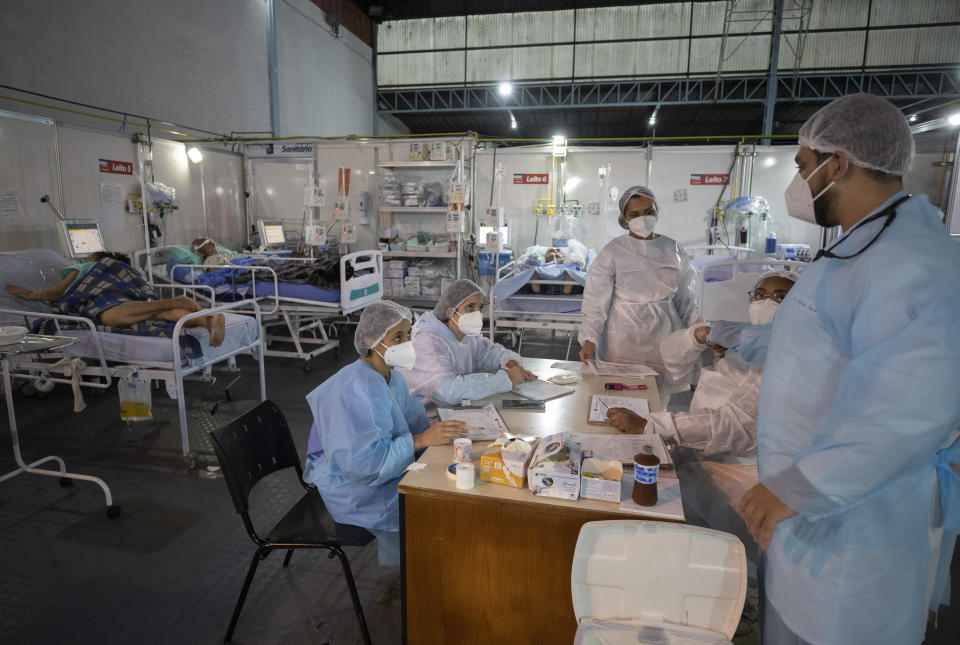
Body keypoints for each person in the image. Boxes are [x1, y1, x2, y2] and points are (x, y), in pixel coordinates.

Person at [707, 94, 960, 644]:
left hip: (853, 541)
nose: (798, 182)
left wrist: (796, 488)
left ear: (838, 163)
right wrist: (725, 335)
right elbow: (801, 345)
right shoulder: (857, 249)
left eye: (803, 165)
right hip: (803, 521)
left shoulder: (911, 262)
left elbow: (906, 412)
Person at [605, 270, 797, 564]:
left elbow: (736, 426)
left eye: (780, 297)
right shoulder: (742, 347)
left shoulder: (789, 363)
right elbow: (672, 357)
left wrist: (651, 425)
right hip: (697, 457)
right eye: (759, 295)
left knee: (704, 558)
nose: (766, 303)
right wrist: (697, 337)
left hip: (734, 478)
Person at [303, 301, 467, 566]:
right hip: (353, 489)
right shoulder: (357, 388)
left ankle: (424, 570)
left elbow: (414, 423)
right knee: (430, 503)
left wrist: (440, 435)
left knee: (442, 480)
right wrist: (423, 440)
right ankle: (412, 580)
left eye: (408, 335)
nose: (406, 344)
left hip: (373, 470)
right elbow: (365, 466)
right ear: (370, 339)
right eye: (397, 337)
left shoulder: (392, 377)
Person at [578, 185, 701, 402]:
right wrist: (590, 338)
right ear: (624, 218)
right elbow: (596, 300)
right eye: (634, 214)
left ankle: (652, 435)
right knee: (621, 393)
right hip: (623, 334)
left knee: (658, 397)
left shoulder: (673, 249)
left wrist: (698, 329)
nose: (642, 219)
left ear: (657, 212)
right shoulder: (613, 251)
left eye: (648, 212)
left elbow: (685, 298)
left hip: (664, 332)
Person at [5, 252, 225, 345]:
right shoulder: (118, 269)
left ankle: (175, 301)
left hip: (102, 293)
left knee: (109, 315)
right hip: (131, 292)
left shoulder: (86, 267)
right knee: (159, 313)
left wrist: (33, 295)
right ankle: (207, 320)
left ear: (95, 259)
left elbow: (57, 292)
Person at [403, 279, 535, 408]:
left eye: (480, 307)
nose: (476, 313)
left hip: (458, 409)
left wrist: (510, 363)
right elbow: (449, 392)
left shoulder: (467, 334)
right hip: (428, 418)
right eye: (470, 307)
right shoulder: (428, 342)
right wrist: (506, 379)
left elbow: (488, 353)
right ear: (450, 312)